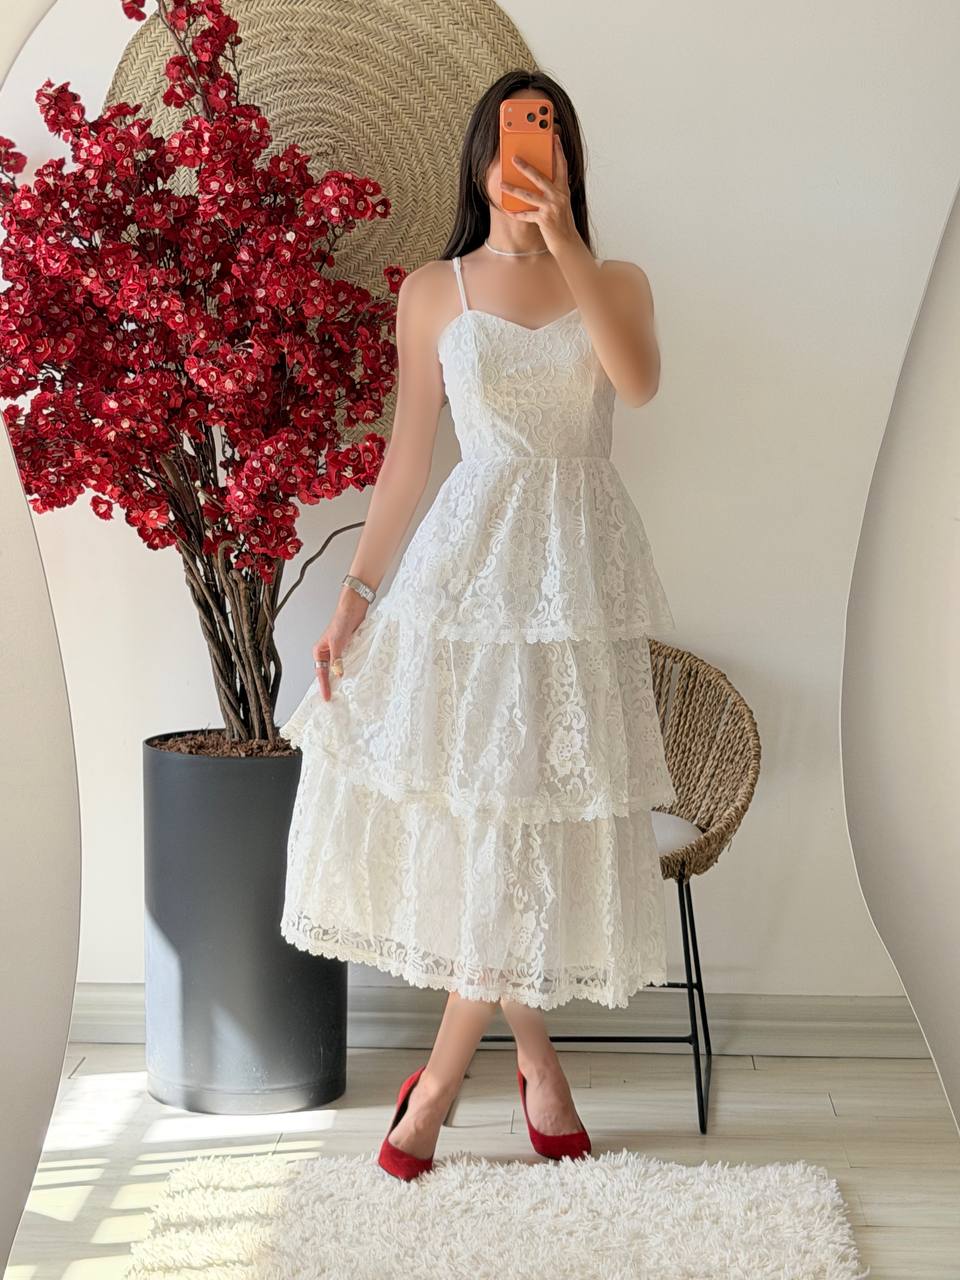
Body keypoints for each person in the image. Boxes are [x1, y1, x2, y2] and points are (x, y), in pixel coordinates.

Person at [277, 68, 677, 1180]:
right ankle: (520, 1071)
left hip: (573, 590)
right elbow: (409, 461)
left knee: (521, 827)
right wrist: (354, 597)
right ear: (478, 155)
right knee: (492, 829)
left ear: (570, 160)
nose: (527, 154)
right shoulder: (434, 290)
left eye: (548, 137)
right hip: (465, 587)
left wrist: (566, 240)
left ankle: (444, 1084)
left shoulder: (619, 281)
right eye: (511, 136)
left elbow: (638, 383)